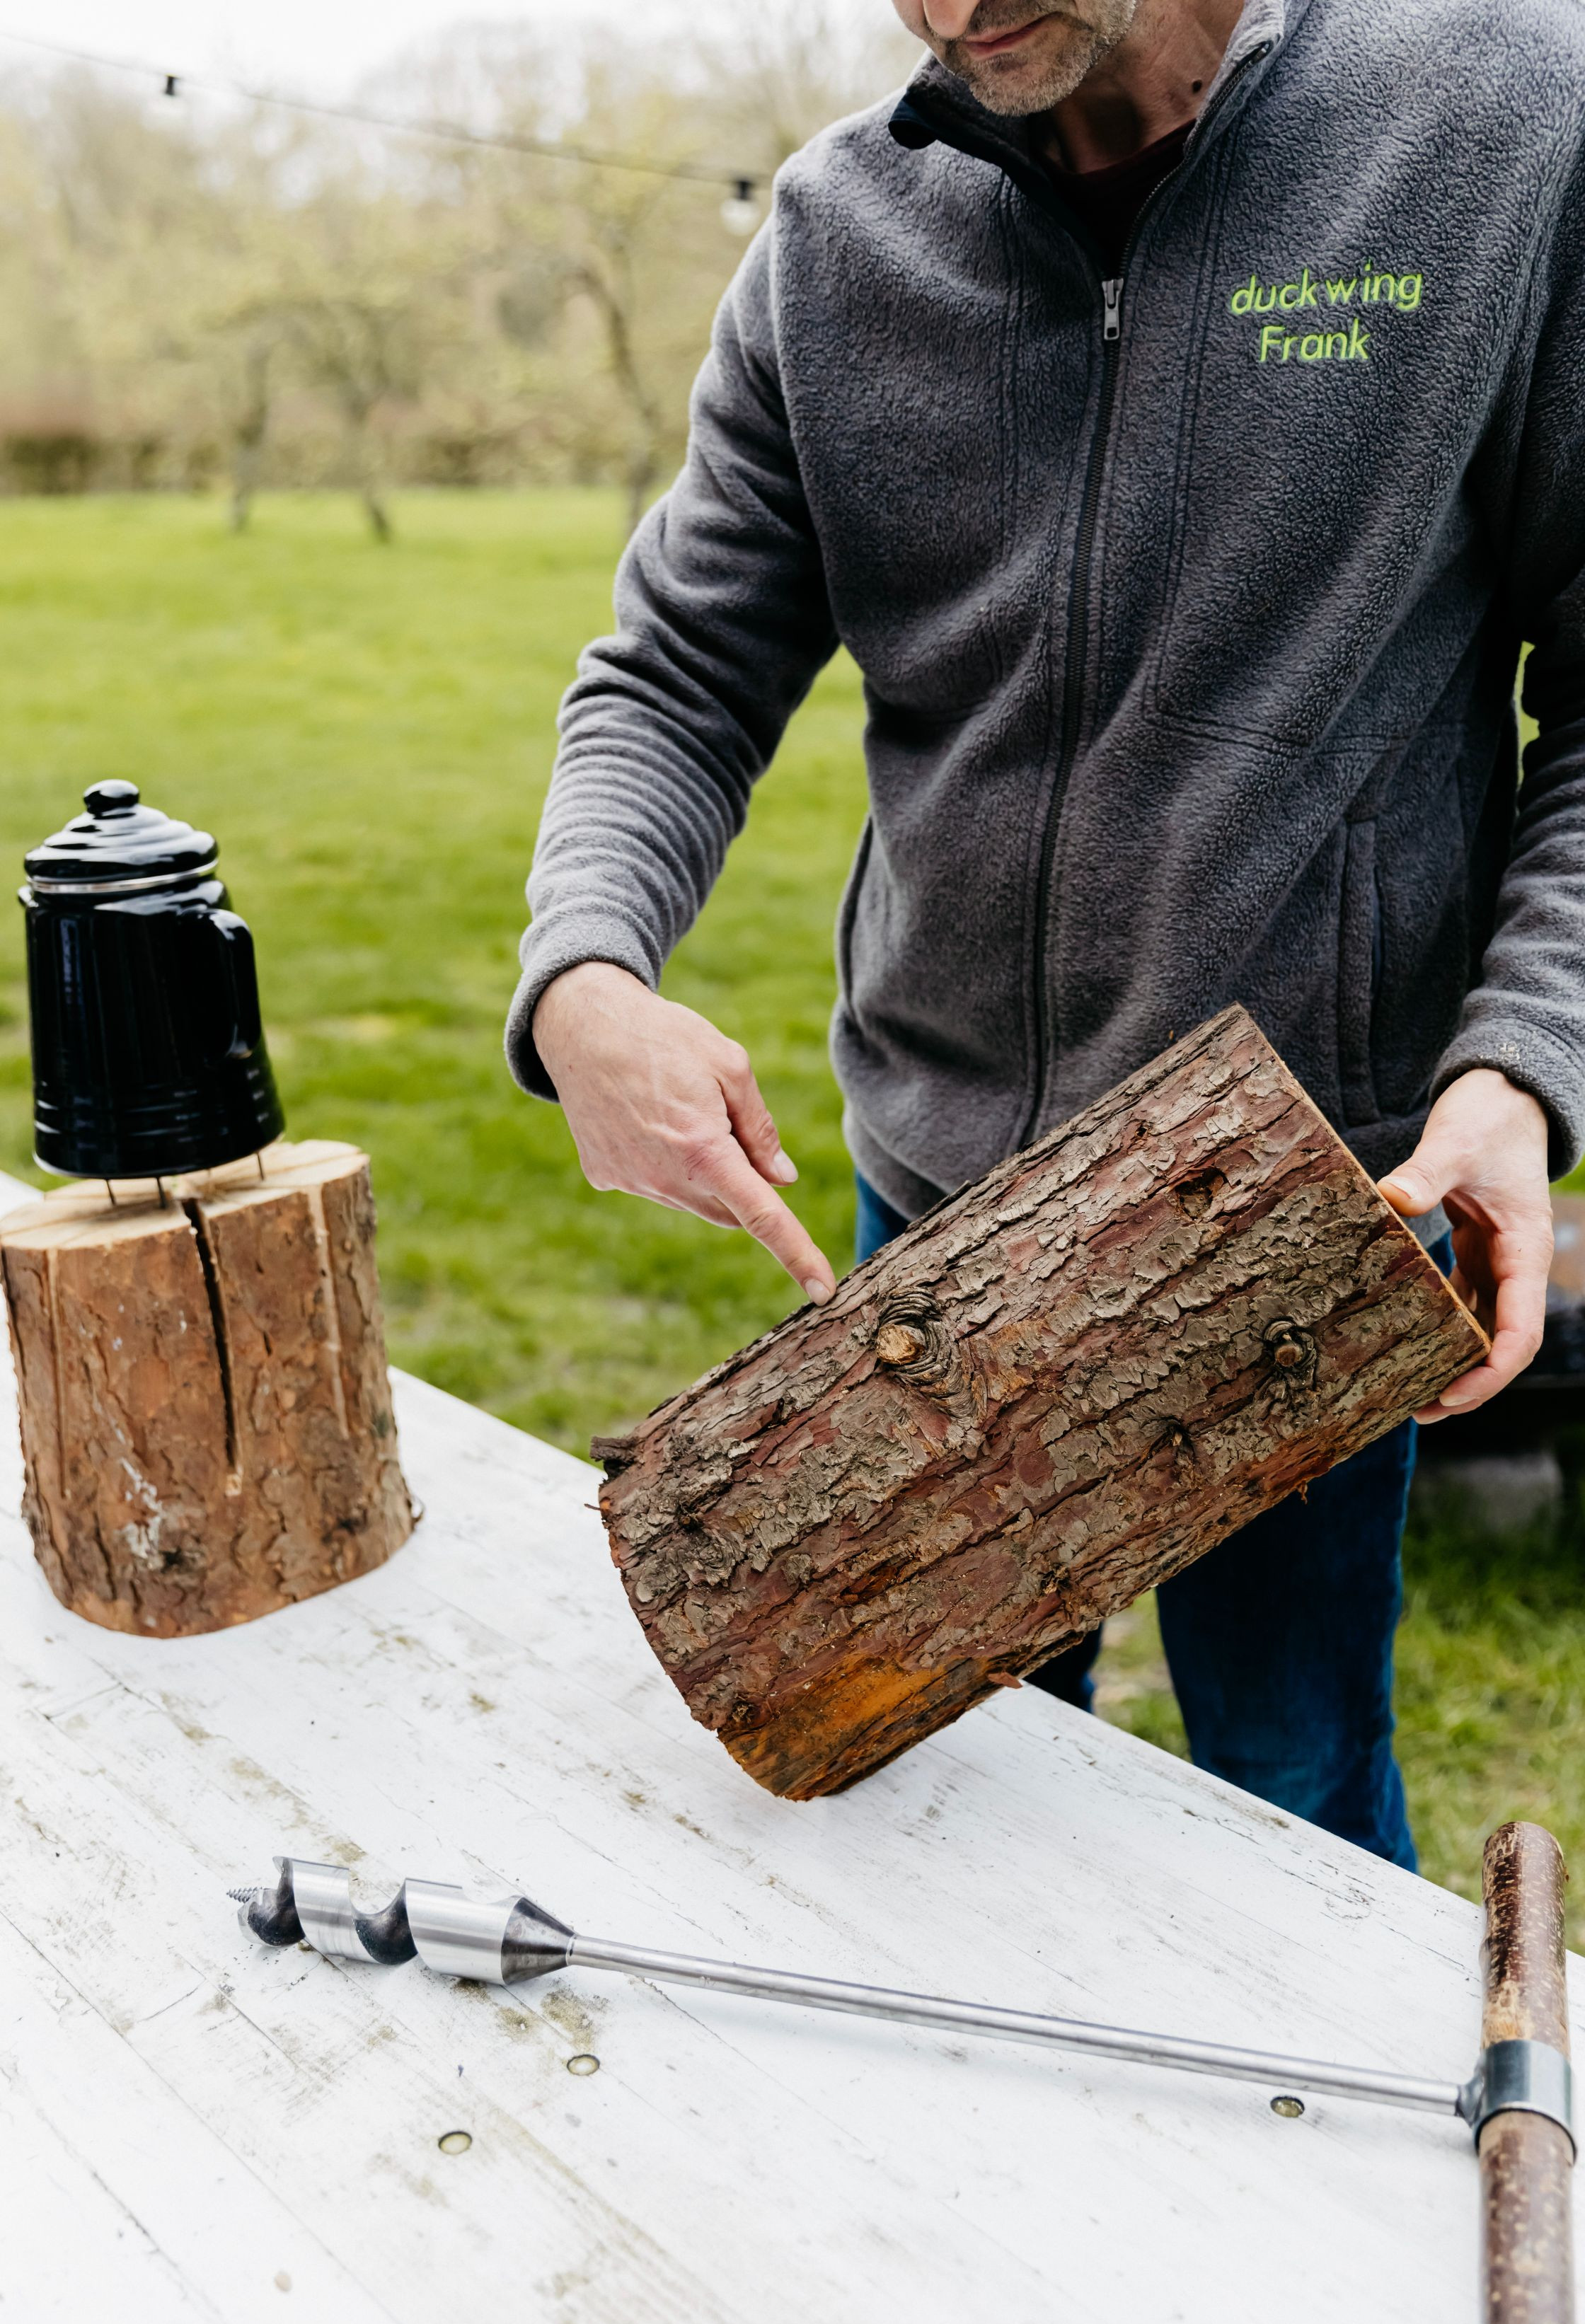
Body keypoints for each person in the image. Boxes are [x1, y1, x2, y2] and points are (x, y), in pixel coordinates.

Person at [507, 0, 1583, 1868]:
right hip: (936, 1206)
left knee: (1294, 1795)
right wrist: (588, 972)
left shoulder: (1498, 123)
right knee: (946, 1811)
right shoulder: (837, 235)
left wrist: (1523, 1069)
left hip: (1305, 1211)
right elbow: (676, 672)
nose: (946, 5)